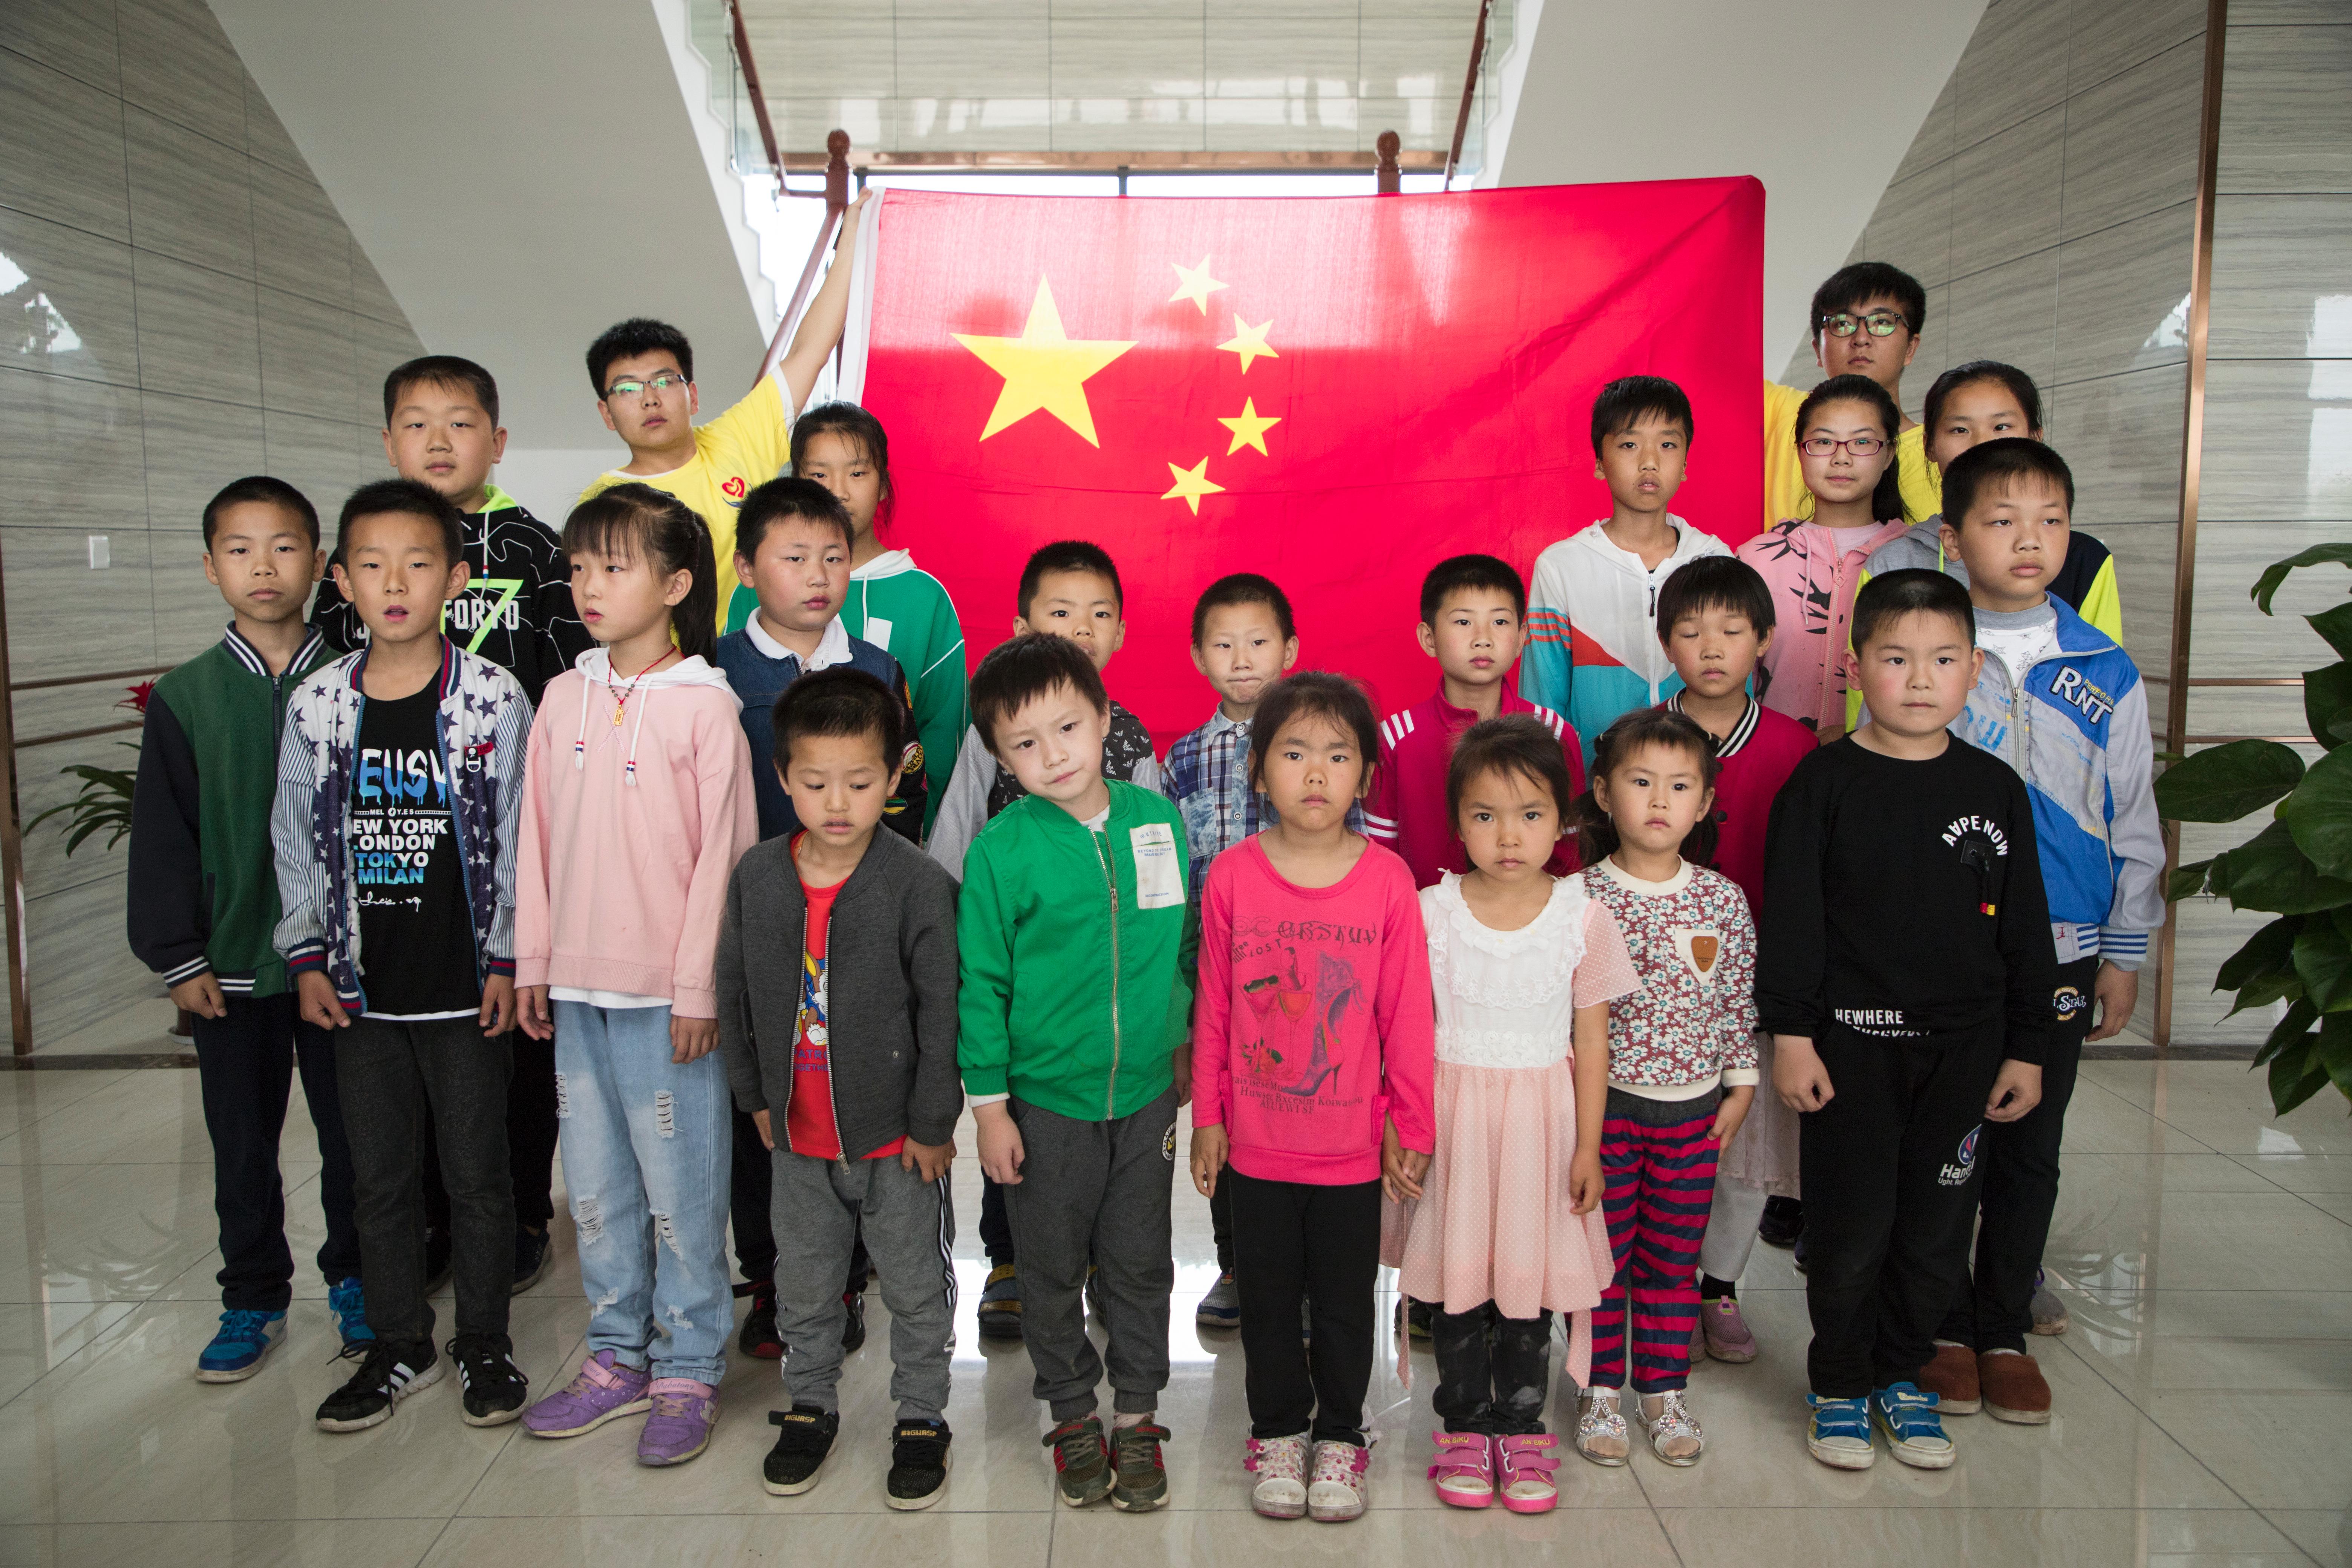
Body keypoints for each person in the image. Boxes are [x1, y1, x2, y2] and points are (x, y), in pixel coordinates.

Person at [1759, 569, 2054, 1473]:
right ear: (1854, 670)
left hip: (1964, 1055)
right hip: (1850, 1048)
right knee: (1850, 1233)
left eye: (1943, 660)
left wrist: (2028, 1048)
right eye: (1895, 659)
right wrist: (1792, 1034)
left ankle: (1901, 1373)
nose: (1920, 679)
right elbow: (1794, 920)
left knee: (1934, 1232)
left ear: (1974, 670)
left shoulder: (1995, 788)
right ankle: (1841, 1384)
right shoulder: (1823, 783)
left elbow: (2026, 927)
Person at [313, 353, 589, 1298]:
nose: (438, 440)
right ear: (388, 440)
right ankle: (431, 1221)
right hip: (390, 842)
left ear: (497, 441)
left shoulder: (535, 550)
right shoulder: (360, 546)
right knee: (407, 1049)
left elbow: (568, 682)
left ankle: (517, 1212)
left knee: (512, 1039)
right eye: (417, 423)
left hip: (504, 839)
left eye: (460, 422)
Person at [271, 479, 532, 1432]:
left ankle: (485, 1341)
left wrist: (507, 959)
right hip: (359, 994)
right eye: (372, 565)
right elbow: (294, 836)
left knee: (478, 1176)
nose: (394, 583)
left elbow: (519, 833)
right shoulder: (317, 704)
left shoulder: (492, 698)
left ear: (455, 580)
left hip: (465, 990)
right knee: (377, 1179)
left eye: (418, 564)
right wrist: (306, 954)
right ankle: (398, 1343)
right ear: (340, 580)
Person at [1910, 439, 2162, 1426]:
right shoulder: (1926, 648)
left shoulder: (2104, 667)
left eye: (2051, 520)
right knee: (1945, 1134)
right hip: (1945, 939)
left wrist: (2125, 948)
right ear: (1954, 536)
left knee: (2031, 1142)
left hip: (2063, 940)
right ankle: (1937, 1322)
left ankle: (2004, 1326)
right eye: (2003, 520)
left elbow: (2133, 814)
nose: (2030, 540)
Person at [514, 485, 758, 1467]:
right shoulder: (561, 698)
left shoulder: (706, 709)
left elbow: (725, 862)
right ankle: (616, 1355)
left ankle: (689, 1366)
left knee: (681, 1192)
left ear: (676, 585)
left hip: (667, 1003)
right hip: (577, 993)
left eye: (613, 567)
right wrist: (533, 962)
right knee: (597, 1190)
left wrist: (700, 990)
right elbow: (531, 840)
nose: (589, 586)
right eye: (580, 568)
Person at [129, 476, 369, 1382]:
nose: (263, 566)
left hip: (343, 965)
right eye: (240, 549)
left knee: (355, 1139)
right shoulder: (186, 697)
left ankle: (357, 1280)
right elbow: (163, 837)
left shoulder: (359, 680)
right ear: (210, 566)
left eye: (284, 547)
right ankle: (253, 1295)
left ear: (321, 564)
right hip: (229, 965)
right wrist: (177, 955)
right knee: (241, 1145)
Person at [715, 668, 963, 1510]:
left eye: (860, 782)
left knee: (915, 1284)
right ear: (782, 776)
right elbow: (733, 990)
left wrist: (933, 1121)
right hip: (797, 1135)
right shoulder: (757, 876)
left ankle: (921, 1414)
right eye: (815, 781)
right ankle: (811, 1401)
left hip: (897, 1140)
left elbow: (943, 1012)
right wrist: (753, 1095)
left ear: (893, 777)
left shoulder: (917, 883)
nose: (837, 802)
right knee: (805, 1282)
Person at [1190, 673, 1435, 1524]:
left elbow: (1406, 1016)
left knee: (1342, 1305)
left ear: (1366, 774)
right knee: (1265, 1301)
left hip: (1350, 1151)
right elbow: (1215, 1006)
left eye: (1338, 755)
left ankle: (1340, 1434)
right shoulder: (1232, 876)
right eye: (1294, 754)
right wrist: (1208, 1116)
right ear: (1260, 771)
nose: (1317, 773)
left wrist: (1412, 1123)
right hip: (1257, 1146)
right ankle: (1277, 1432)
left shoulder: (1388, 881)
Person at [957, 634, 1192, 1513]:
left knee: (1139, 1260)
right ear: (1000, 756)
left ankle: (1136, 1414)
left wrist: (1183, 1041)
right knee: (1051, 1266)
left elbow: (1180, 944)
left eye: (1068, 727)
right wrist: (990, 1109)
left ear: (1103, 718)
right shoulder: (1000, 850)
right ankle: (1070, 1412)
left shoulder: (1156, 821)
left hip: (1146, 1096)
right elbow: (981, 986)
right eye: (1025, 742)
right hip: (1045, 1102)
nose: (1053, 754)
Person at [1384, 716, 1633, 1513]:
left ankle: (1523, 1431)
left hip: (1541, 1129)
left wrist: (1588, 1146)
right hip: (1452, 1125)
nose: (1508, 835)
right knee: (1459, 1286)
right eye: (1485, 815)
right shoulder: (1430, 910)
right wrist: (1399, 1125)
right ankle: (1463, 1427)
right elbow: (1404, 1030)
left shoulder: (1583, 916)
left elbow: (1591, 1042)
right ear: (1458, 822)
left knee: (1529, 1285)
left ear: (1562, 821)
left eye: (1530, 814)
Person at [931, 540, 1164, 1340]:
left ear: (1120, 634)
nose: (1081, 628)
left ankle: (1097, 1259)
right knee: (1025, 1135)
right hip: (1023, 963)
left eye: (1099, 614)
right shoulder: (990, 734)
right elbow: (955, 838)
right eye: (1062, 612)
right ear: (1023, 626)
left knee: (1103, 1156)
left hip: (1110, 986)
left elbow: (1158, 878)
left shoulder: (1131, 742)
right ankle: (1009, 1258)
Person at [712, 476, 921, 1361]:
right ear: (746, 568)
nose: (817, 574)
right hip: (764, 917)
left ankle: (850, 1272)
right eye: (794, 557)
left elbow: (904, 796)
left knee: (857, 1087)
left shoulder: (877, 667)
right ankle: (773, 1278)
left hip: (858, 920)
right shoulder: (718, 670)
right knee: (768, 1104)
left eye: (834, 557)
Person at [1162, 571, 1354, 1331]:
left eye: (1259, 642)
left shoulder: (1318, 748)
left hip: (1305, 965)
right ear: (1197, 656)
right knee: (1228, 1109)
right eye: (1224, 645)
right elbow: (1172, 872)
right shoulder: (1183, 758)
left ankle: (1306, 1272)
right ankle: (1239, 1264)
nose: (1242, 659)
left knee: (1301, 1102)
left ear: (1291, 649)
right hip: (1223, 969)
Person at [1568, 709, 1758, 1468]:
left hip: (1692, 1115)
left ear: (1704, 803)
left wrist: (1740, 1085)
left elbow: (1736, 1001)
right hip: (1604, 1112)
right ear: (1603, 792)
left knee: (1672, 1261)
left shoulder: (1722, 901)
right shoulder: (1576, 897)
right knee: (1601, 1258)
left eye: (1680, 787)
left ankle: (1663, 1390)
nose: (1658, 800)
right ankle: (1598, 1389)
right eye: (1641, 781)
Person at [1650, 557, 1815, 1363]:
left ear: (1766, 640)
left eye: (1732, 630)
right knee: (1661, 1144)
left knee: (1745, 1153)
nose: (1711, 648)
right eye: (1690, 631)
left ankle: (1719, 1284)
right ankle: (1658, 1285)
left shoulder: (1795, 748)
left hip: (1755, 986)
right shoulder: (1637, 739)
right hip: (1655, 991)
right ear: (1664, 644)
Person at [576, 192, 869, 635]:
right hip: (665, 673)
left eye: (664, 381)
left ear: (693, 396)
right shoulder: (603, 501)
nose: (650, 399)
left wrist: (852, 239)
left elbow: (810, 350)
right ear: (606, 413)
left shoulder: (735, 439)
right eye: (628, 388)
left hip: (753, 665)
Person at [1520, 375, 1730, 765]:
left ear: (1686, 463)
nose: (1650, 461)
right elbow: (1542, 706)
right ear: (1600, 463)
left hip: (1695, 781)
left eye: (1667, 444)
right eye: (1630, 445)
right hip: (1594, 783)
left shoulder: (1716, 560)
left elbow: (1737, 688)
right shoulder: (1561, 567)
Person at [787, 401, 969, 836]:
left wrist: (925, 843)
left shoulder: (924, 597)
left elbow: (945, 736)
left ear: (883, 485)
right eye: (819, 475)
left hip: (893, 844)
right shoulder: (758, 588)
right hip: (775, 841)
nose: (838, 491)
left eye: (857, 473)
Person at [1859, 361, 2124, 643]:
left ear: (2036, 438)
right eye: (1960, 430)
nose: (1982, 445)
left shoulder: (2085, 561)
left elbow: (2103, 665)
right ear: (1929, 446)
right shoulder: (1892, 563)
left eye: (2001, 427)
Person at [1367, 554, 1585, 890]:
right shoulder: (1395, 739)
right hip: (1424, 915)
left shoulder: (1554, 732)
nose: (1483, 638)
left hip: (1535, 916)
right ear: (1429, 638)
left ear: (1522, 637)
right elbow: (1381, 857)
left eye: (1500, 622)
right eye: (1463, 622)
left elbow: (1570, 853)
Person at [1738, 375, 1913, 741]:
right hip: (1774, 761)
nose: (1842, 457)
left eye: (1862, 442)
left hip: (1878, 762)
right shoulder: (1754, 559)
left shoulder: (1913, 560)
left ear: (1889, 454)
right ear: (1800, 451)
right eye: (1823, 442)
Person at [1760, 262, 1940, 530]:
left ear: (1910, 348)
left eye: (1882, 322)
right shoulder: (1777, 409)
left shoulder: (1942, 449)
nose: (1861, 338)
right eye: (1842, 323)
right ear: (1818, 350)